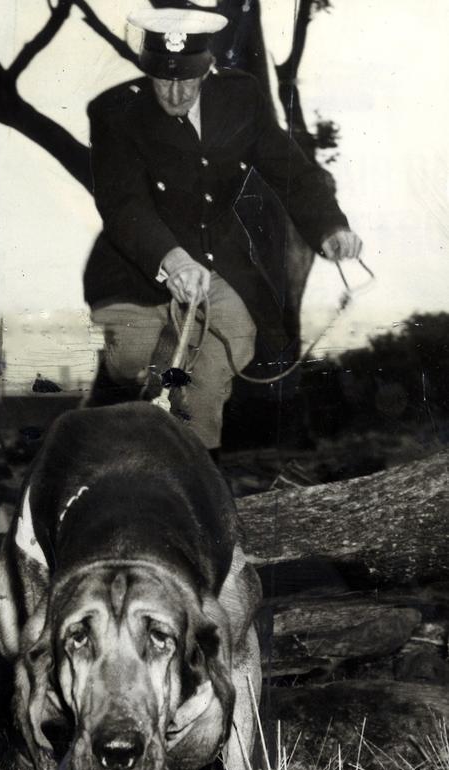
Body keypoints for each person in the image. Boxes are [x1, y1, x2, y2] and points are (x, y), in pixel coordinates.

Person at [83, 7, 362, 454]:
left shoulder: (240, 97)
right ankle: (112, 410)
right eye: (162, 79)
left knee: (231, 340)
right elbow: (123, 205)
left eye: (186, 80)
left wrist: (328, 227)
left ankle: (197, 464)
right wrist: (171, 260)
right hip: (137, 264)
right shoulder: (115, 112)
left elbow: (288, 167)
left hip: (217, 256)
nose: (174, 93)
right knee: (133, 359)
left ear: (206, 68)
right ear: (148, 70)